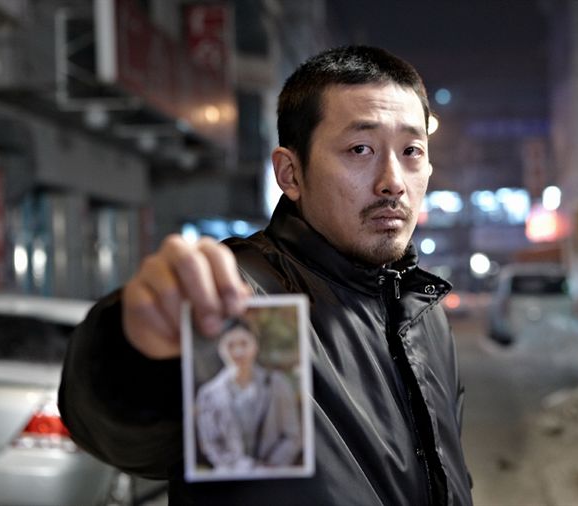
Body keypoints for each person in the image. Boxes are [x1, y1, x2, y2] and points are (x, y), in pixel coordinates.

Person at [59, 45, 473, 505]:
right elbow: (127, 436)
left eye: (412, 150)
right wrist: (135, 349)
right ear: (290, 173)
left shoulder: (423, 313)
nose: (393, 181)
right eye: (361, 149)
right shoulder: (245, 299)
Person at [195, 321, 301, 472]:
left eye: (244, 343)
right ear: (220, 348)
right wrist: (242, 468)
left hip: (273, 473)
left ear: (255, 345)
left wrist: (270, 467)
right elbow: (210, 444)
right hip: (230, 475)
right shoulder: (208, 394)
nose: (238, 352)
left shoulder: (277, 384)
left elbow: (292, 436)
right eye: (230, 345)